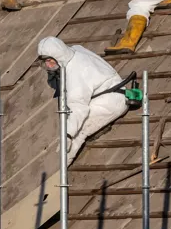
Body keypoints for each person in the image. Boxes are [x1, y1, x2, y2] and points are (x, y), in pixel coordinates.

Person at [37, 37, 130, 165]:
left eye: (50, 61)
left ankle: (59, 169)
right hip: (110, 93)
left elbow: (78, 108)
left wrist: (68, 135)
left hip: (111, 101)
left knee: (78, 132)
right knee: (71, 122)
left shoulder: (75, 72)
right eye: (45, 63)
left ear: (59, 56)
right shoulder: (75, 51)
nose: (48, 66)